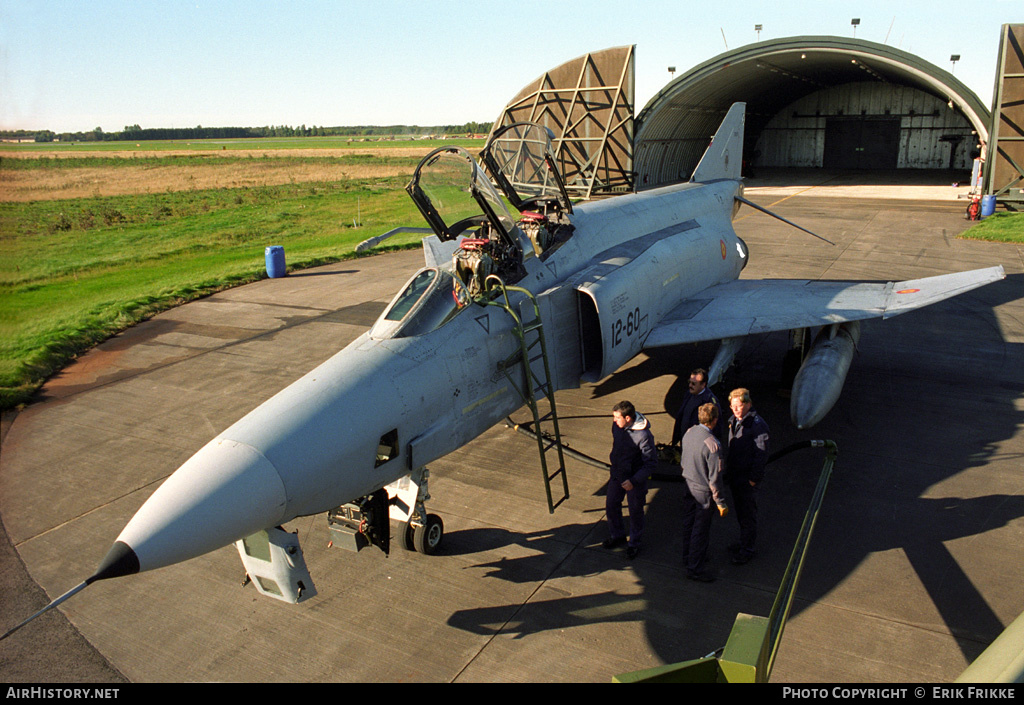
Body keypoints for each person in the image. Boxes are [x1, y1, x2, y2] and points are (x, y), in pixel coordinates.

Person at [680, 403, 728, 582]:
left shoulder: (689, 432)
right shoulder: (713, 445)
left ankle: (688, 556)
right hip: (702, 492)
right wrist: (720, 501)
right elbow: (715, 479)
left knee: (688, 523)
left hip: (688, 484)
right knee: (700, 530)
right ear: (715, 420)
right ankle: (695, 568)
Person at [604, 400, 657, 559]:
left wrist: (633, 481)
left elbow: (651, 463)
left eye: (617, 417)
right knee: (611, 504)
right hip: (617, 474)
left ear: (628, 418)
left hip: (634, 480)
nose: (614, 421)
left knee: (635, 511)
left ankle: (634, 543)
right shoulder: (617, 427)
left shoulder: (644, 436)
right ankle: (617, 535)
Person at [725, 388, 770, 565]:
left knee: (748, 514)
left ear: (748, 404)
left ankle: (747, 549)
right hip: (736, 476)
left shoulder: (757, 425)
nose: (736, 409)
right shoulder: (735, 421)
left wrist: (754, 478)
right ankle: (744, 542)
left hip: (746, 479)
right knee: (741, 513)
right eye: (733, 406)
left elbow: (761, 454)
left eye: (740, 405)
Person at [670, 368, 724, 447]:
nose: (690, 385)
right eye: (689, 382)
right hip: (685, 440)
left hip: (697, 444)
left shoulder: (710, 402)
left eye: (693, 384)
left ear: (703, 385)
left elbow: (717, 427)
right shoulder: (689, 394)